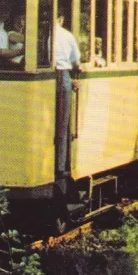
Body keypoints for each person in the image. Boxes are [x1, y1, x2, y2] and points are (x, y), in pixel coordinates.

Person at [53, 13, 81, 178]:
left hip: (47, 75)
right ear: (61, 19)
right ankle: (60, 166)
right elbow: (76, 62)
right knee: (63, 125)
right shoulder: (67, 35)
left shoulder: (43, 33)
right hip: (63, 76)